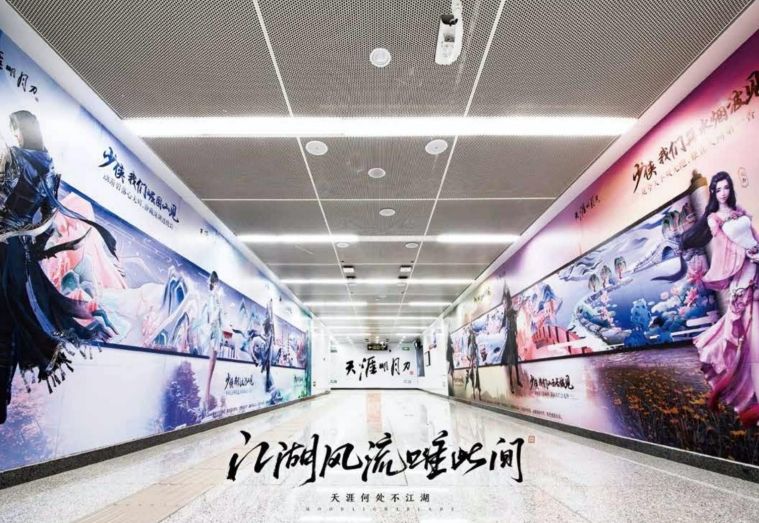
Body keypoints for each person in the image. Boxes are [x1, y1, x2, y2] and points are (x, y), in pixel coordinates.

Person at [0, 110, 118, 423]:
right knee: (11, 324)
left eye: (15, 128)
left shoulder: (12, 158)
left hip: (3, 247)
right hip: (20, 256)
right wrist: (29, 242)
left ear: (22, 130)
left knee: (6, 322)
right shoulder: (49, 170)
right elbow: (48, 222)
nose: (14, 134)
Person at [681, 171, 759, 427]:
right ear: (713, 193)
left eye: (726, 188)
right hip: (744, 280)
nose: (723, 193)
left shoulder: (740, 211)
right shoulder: (715, 219)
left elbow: (753, 236)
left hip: (756, 267)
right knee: (752, 343)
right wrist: (749, 255)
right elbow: (727, 249)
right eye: (718, 189)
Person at [500, 288, 522, 393]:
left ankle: (517, 381)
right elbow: (504, 321)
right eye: (503, 303)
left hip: (512, 336)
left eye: (505, 302)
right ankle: (511, 384)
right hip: (509, 336)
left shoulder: (510, 311)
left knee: (515, 360)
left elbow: (514, 313)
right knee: (510, 360)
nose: (504, 304)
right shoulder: (507, 312)